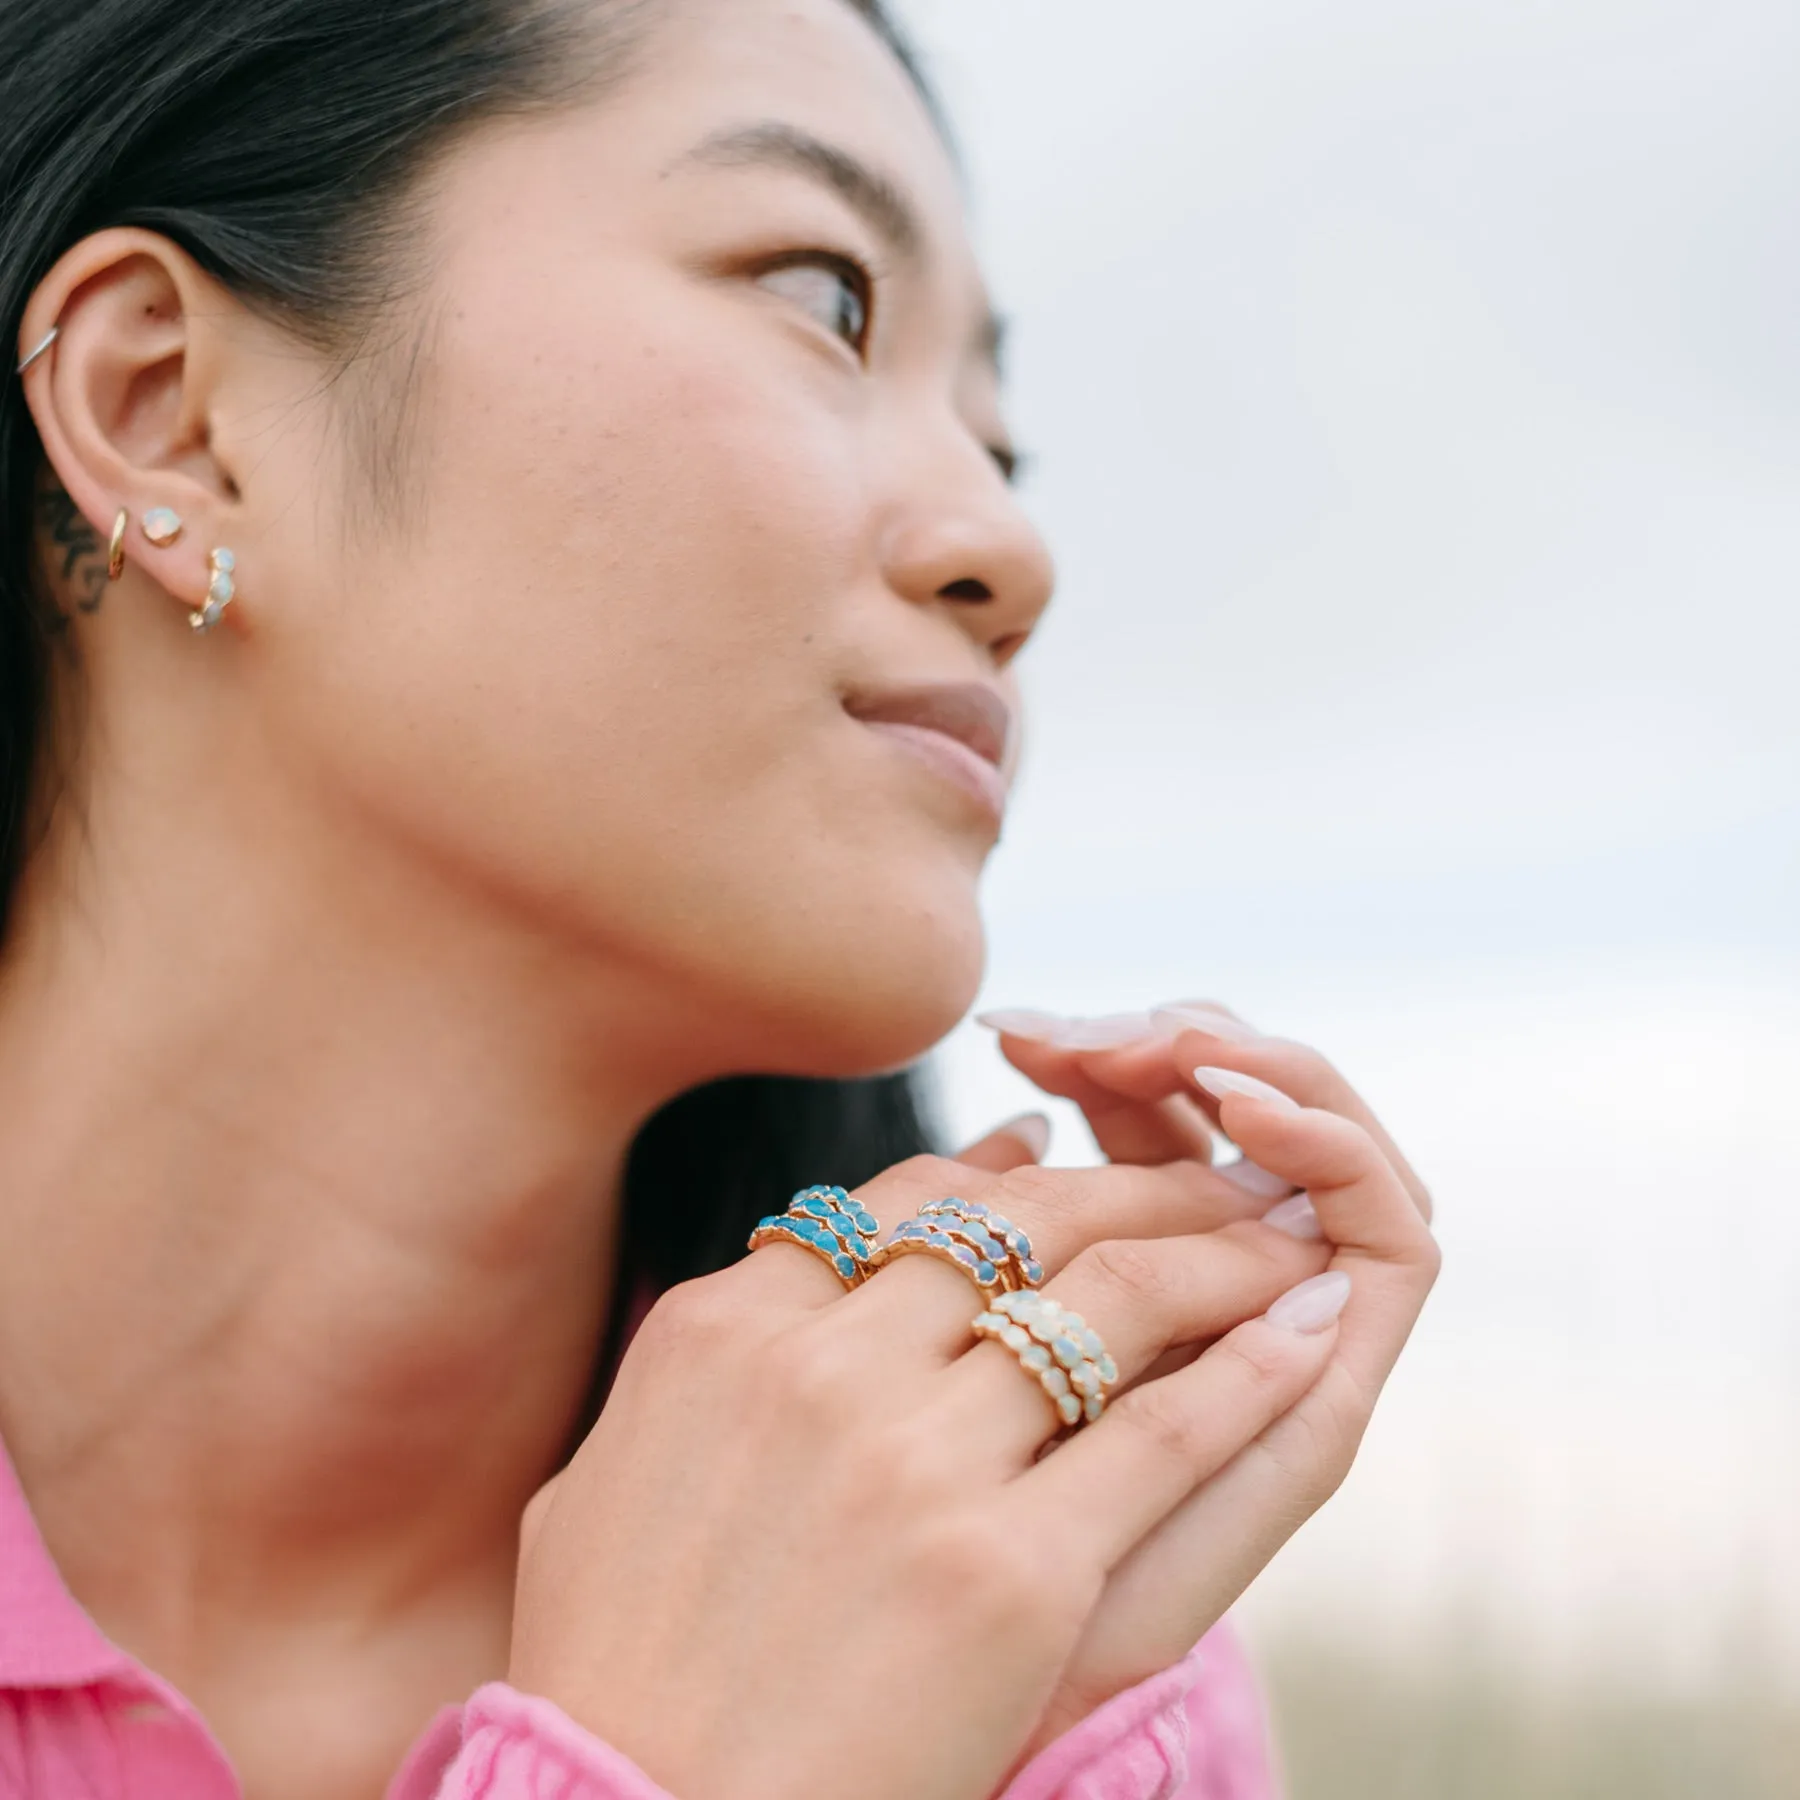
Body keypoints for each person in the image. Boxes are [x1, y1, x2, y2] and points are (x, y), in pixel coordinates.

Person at [0, 2, 1441, 1796]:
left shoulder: (1053, 1669)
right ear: (169, 411)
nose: (1012, 549)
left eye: (1002, 442)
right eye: (824, 300)